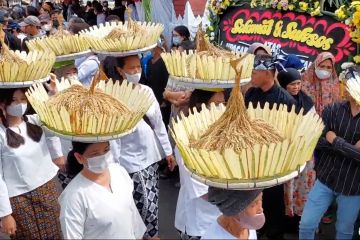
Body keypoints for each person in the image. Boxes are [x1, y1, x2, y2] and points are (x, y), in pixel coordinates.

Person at [111, 55, 176, 239]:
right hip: (129, 162)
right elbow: (113, 137)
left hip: (151, 158)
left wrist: (167, 151)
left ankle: (150, 233)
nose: (136, 71)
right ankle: (149, 235)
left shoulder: (146, 91)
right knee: (143, 204)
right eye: (131, 68)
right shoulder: (114, 96)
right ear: (120, 70)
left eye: (138, 67)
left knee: (152, 200)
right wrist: (113, 168)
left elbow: (158, 124)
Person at [299, 67, 360, 240]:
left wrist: (334, 140)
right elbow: (317, 142)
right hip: (325, 180)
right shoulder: (333, 109)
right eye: (344, 84)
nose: (343, 88)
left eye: (348, 85)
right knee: (306, 224)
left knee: (344, 231)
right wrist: (350, 148)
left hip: (353, 186)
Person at [244, 54, 296, 240]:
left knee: (274, 196)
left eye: (254, 72)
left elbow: (290, 132)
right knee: (255, 195)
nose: (251, 75)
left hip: (275, 158)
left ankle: (276, 230)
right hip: (252, 155)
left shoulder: (285, 100)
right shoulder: (250, 93)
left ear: (267, 73)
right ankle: (258, 226)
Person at [0, 88, 64, 239]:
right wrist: (5, 214)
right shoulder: (2, 134)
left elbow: (57, 116)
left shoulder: (36, 120)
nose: (20, 104)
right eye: (14, 100)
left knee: (55, 232)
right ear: (3, 104)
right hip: (19, 199)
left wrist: (54, 92)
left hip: (47, 190)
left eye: (23, 99)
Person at [59, 141, 146, 239]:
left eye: (106, 149)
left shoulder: (119, 172)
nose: (103, 156)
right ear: (79, 157)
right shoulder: (73, 196)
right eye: (95, 154)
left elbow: (132, 214)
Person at [175, 89, 224, 240]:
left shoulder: (222, 135)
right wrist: (236, 200)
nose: (222, 109)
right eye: (216, 104)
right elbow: (201, 190)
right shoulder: (186, 141)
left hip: (223, 217)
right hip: (199, 224)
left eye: (224, 103)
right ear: (200, 105)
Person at [277, 68, 316, 233]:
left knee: (302, 189)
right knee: (287, 187)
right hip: (286, 153)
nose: (296, 87)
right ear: (284, 85)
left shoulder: (306, 101)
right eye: (292, 84)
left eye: (298, 83)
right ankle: (287, 222)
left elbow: (314, 123)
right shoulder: (279, 101)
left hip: (305, 152)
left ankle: (301, 223)